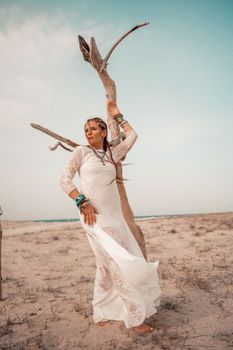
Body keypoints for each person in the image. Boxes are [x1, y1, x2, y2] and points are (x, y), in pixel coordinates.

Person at [59, 101, 160, 334]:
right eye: (86, 129)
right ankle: (135, 319)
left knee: (104, 266)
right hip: (93, 218)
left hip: (115, 219)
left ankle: (101, 310)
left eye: (93, 128)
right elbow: (64, 179)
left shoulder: (112, 154)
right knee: (117, 264)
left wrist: (118, 115)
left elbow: (132, 136)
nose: (88, 132)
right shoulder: (81, 152)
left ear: (104, 131)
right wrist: (81, 201)